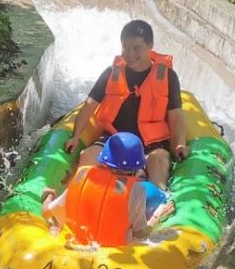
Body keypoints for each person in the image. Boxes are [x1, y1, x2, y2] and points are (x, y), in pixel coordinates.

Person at [63, 20, 190, 189]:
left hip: (150, 142)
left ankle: (153, 206)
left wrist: (180, 143)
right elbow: (90, 105)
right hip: (114, 137)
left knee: (160, 160)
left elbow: (176, 115)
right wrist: (76, 135)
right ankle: (81, 195)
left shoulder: (168, 76)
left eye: (136, 48)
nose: (130, 53)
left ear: (150, 45)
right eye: (125, 47)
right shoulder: (111, 73)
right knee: (88, 155)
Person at [42, 133, 174, 246]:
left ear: (102, 160)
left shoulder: (82, 176)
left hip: (76, 246)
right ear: (136, 169)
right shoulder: (137, 191)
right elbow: (139, 234)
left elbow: (49, 213)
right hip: (112, 254)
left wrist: (49, 197)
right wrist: (156, 218)